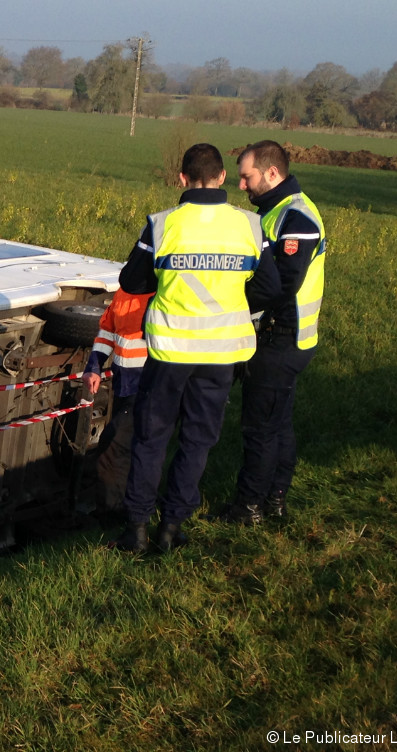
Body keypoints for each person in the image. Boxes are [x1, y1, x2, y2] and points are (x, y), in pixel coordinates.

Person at [114, 143, 280, 552]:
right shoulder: (250, 226)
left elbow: (132, 282)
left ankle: (135, 529)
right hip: (221, 355)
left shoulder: (162, 225)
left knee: (151, 439)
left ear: (182, 179)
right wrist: (236, 299)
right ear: (223, 177)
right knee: (197, 441)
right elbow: (271, 287)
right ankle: (172, 527)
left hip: (170, 353)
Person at [216, 140, 326, 525]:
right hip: (283, 337)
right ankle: (275, 502)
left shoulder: (296, 218)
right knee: (278, 422)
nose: (242, 186)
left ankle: (247, 510)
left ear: (272, 173)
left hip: (282, 337)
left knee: (260, 428)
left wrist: (230, 302)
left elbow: (281, 285)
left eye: (247, 177)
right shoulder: (275, 212)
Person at [81, 288, 152, 524]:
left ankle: (115, 515)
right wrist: (94, 365)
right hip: (124, 384)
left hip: (150, 385)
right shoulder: (125, 291)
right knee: (128, 449)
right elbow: (108, 332)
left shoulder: (165, 289)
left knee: (114, 448)